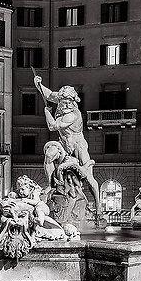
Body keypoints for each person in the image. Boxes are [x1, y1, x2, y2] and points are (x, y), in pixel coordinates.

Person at [33, 73, 102, 210]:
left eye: (68, 103)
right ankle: (52, 184)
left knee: (89, 177)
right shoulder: (60, 99)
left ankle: (98, 206)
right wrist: (38, 84)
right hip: (63, 144)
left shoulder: (72, 115)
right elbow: (48, 95)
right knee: (49, 155)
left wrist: (47, 112)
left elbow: (52, 126)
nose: (64, 105)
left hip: (78, 146)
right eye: (62, 102)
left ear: (73, 102)